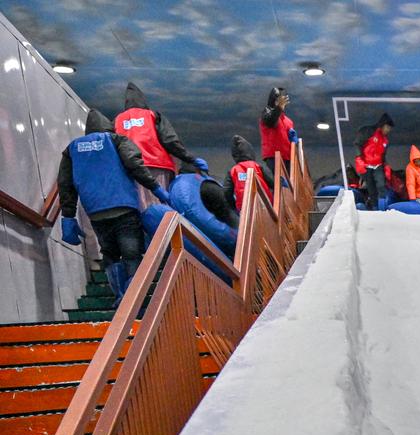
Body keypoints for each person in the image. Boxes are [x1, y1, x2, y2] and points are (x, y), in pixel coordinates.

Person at [57, 109, 171, 303]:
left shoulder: (72, 149)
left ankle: (120, 296)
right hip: (124, 209)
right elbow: (134, 165)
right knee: (131, 253)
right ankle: (135, 299)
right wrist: (156, 188)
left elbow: (65, 184)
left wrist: (68, 216)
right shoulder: (116, 140)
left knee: (110, 253)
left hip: (96, 213)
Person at [114, 82, 207, 210]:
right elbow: (170, 141)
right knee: (162, 211)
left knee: (138, 212)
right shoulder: (153, 116)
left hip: (129, 172)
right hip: (158, 168)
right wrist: (190, 159)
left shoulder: (117, 121)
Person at [224, 135, 275, 213]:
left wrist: (233, 207)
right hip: (264, 205)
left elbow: (227, 192)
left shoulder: (232, 171)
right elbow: (272, 183)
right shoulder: (258, 166)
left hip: (244, 209)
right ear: (250, 151)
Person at [357, 113, 394, 211]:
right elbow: (358, 144)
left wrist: (385, 166)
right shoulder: (369, 132)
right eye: (387, 127)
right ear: (382, 125)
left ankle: (382, 205)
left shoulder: (385, 141)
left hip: (378, 165)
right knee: (371, 187)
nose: (388, 130)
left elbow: (383, 156)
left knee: (381, 184)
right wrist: (359, 159)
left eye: (390, 129)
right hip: (367, 164)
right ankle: (375, 207)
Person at [260, 86, 298, 177]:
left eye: (283, 101)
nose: (282, 103)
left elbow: (291, 139)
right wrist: (278, 108)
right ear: (273, 100)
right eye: (278, 100)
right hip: (274, 155)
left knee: (289, 182)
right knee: (280, 181)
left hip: (288, 157)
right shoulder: (267, 112)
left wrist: (294, 141)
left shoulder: (288, 121)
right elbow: (271, 122)